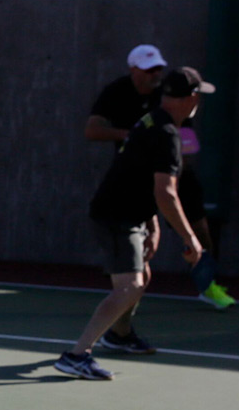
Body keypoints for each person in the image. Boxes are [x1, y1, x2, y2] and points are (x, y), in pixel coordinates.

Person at [55, 67, 214, 381]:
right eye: (198, 96)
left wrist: (151, 223)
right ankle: (77, 355)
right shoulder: (167, 134)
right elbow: (166, 193)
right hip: (116, 216)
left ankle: (119, 334)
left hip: (127, 212)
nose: (199, 101)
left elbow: (137, 174)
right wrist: (191, 239)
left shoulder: (151, 120)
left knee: (142, 275)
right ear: (192, 98)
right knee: (131, 285)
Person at [85, 45, 234, 310]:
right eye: (149, 69)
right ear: (134, 70)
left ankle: (207, 285)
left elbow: (187, 143)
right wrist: (134, 137)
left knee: (201, 230)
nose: (155, 74)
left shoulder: (170, 98)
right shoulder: (116, 92)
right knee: (138, 254)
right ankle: (122, 307)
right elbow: (92, 130)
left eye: (158, 69)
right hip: (135, 179)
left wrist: (167, 153)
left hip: (175, 175)